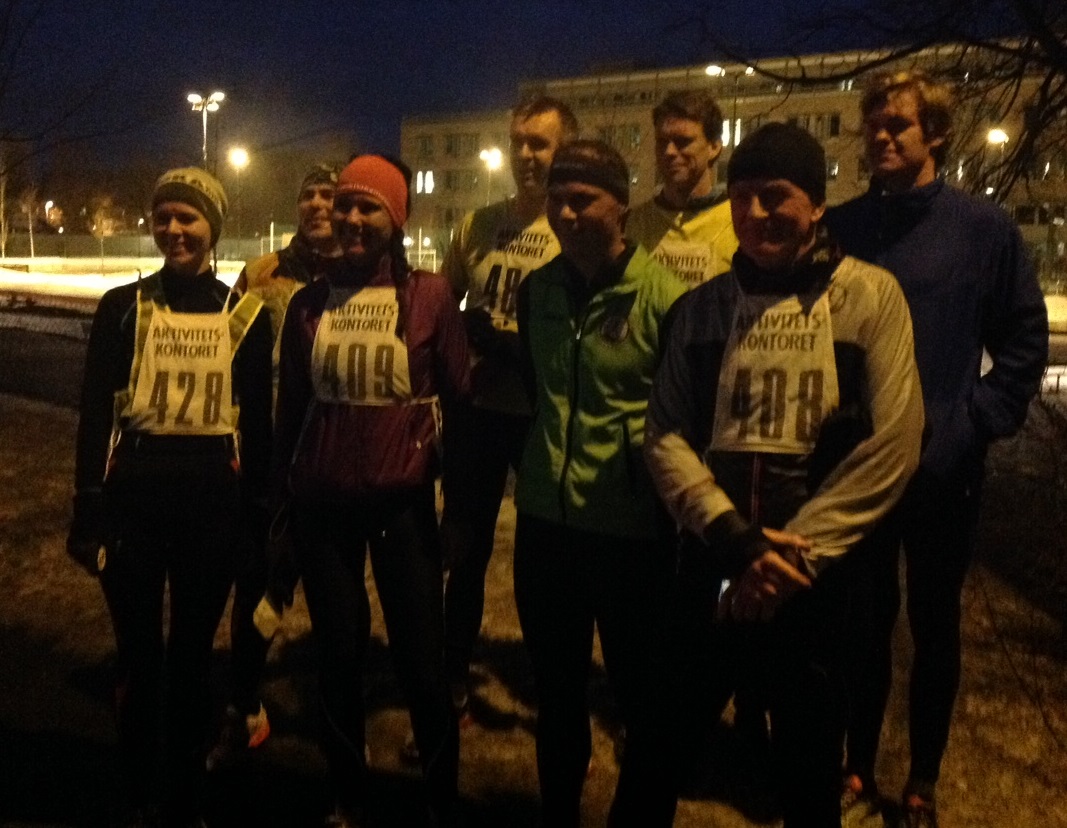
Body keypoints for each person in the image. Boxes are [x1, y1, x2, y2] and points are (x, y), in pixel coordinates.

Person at [644, 123, 924, 827]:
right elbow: (665, 435)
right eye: (741, 197)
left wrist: (794, 555)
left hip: (815, 585)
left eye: (775, 195)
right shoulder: (699, 309)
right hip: (714, 567)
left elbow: (894, 441)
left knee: (807, 779)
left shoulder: (871, 297)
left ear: (817, 204)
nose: (756, 212)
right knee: (653, 762)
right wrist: (735, 540)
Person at [824, 70, 1049, 828]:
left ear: (937, 134)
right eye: (874, 124)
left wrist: (973, 420)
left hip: (940, 471)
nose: (881, 136)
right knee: (861, 625)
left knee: (933, 628)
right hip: (857, 468)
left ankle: (921, 780)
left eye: (899, 125)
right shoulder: (843, 228)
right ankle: (856, 766)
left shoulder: (981, 230)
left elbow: (1023, 338)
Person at [66, 167, 273, 827]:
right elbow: (94, 413)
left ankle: (184, 800)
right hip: (134, 503)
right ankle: (140, 797)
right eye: (164, 218)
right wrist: (87, 506)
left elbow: (259, 429)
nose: (174, 230)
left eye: (188, 218)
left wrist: (258, 521)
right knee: (139, 659)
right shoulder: (120, 307)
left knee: (190, 662)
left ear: (214, 227)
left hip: (211, 508)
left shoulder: (244, 315)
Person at [272, 154, 469, 828]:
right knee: (337, 657)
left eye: (369, 207)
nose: (352, 218)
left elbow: (461, 403)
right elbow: (290, 414)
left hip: (401, 509)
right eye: (345, 205)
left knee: (420, 662)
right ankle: (348, 797)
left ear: (397, 218)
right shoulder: (307, 305)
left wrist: (459, 511)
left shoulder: (431, 297)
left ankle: (441, 800)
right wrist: (279, 512)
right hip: (322, 510)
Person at [514, 139, 686, 828]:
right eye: (556, 200)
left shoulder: (666, 297)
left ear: (621, 203)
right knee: (556, 698)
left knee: (643, 703)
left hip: (629, 534)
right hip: (546, 529)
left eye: (581, 200)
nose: (564, 213)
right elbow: (539, 392)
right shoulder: (537, 291)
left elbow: (680, 418)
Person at [439, 95, 578, 713]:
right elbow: (443, 304)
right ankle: (451, 674)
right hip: (477, 413)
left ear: (563, 150)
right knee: (465, 549)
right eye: (518, 141)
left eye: (539, 143)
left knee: (544, 556)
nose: (525, 154)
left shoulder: (571, 228)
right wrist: (462, 337)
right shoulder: (477, 224)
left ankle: (551, 680)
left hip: (540, 414)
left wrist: (517, 346)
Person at [207, 162, 343, 772]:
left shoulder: (360, 273)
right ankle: (245, 705)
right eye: (308, 194)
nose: (317, 204)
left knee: (335, 594)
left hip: (336, 455)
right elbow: (226, 354)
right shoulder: (262, 272)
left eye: (329, 194)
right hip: (267, 454)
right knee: (257, 582)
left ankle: (338, 720)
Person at [627, 89, 737, 289]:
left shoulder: (738, 223)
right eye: (662, 142)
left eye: (683, 142)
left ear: (714, 147)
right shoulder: (634, 223)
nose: (669, 151)